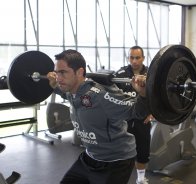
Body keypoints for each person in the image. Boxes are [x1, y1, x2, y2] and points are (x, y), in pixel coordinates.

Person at [47, 49, 150, 184]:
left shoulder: (99, 97)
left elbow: (136, 112)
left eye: (63, 73)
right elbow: (62, 92)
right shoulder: (72, 92)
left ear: (79, 72)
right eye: (56, 73)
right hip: (90, 157)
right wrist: (54, 85)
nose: (58, 78)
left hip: (116, 161)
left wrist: (143, 93)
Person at [114, 46, 152, 184]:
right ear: (128, 58)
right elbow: (112, 95)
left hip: (143, 120)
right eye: (131, 57)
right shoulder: (120, 73)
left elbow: (157, 97)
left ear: (143, 58)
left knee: (142, 151)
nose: (134, 61)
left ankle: (141, 179)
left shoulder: (151, 73)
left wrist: (152, 113)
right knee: (121, 152)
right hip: (124, 120)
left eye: (137, 57)